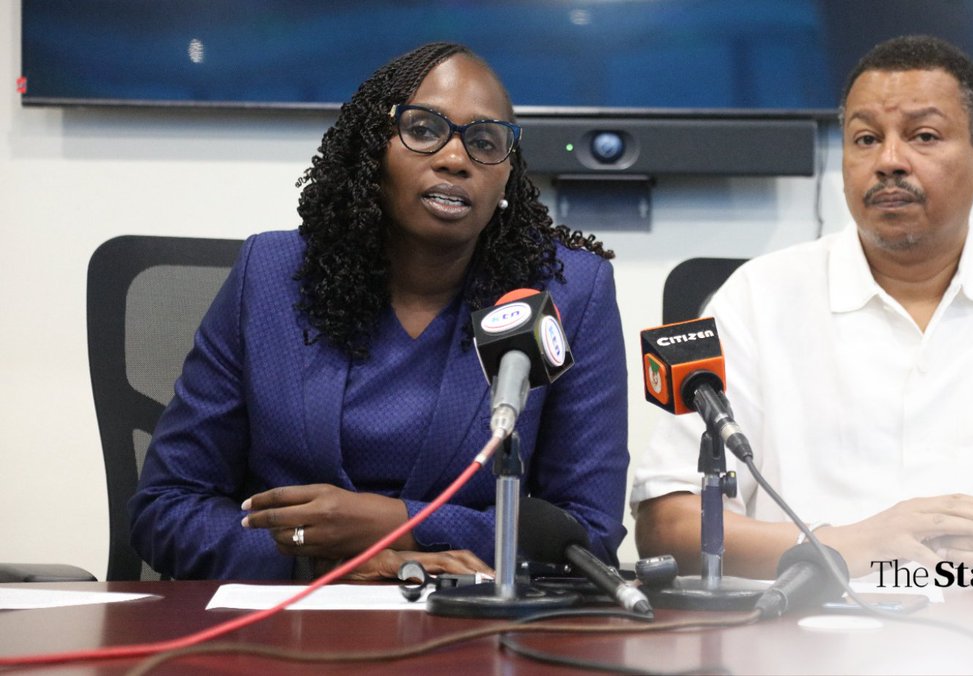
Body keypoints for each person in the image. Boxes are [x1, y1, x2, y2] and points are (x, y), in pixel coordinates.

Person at [631, 35, 973, 590]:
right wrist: (840, 547)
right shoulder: (758, 296)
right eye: (866, 139)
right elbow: (669, 521)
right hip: (807, 636)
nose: (889, 161)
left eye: (923, 136)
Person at [130, 42, 629, 580]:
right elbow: (167, 507)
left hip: (470, 632)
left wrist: (396, 523)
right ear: (372, 149)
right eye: (423, 130)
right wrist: (318, 559)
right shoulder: (271, 277)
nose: (455, 159)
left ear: (507, 175)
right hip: (291, 626)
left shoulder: (568, 293)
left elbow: (587, 533)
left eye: (485, 142)